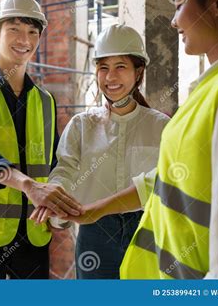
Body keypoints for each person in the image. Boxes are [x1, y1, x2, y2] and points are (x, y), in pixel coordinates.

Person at [35, 0, 218, 279]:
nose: (174, 20)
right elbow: (166, 179)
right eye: (103, 67)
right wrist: (92, 210)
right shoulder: (217, 88)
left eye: (179, 3)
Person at [0, 0, 82, 279]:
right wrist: (29, 186)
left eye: (33, 32)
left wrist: (57, 202)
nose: (25, 40)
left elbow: (53, 164)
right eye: (15, 30)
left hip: (32, 233)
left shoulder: (45, 101)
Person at [31, 25, 170, 279]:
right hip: (94, 233)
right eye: (103, 67)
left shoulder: (161, 126)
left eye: (121, 67)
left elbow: (167, 184)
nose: (110, 77)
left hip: (147, 229)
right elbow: (65, 169)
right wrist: (55, 198)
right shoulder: (82, 125)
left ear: (138, 72)